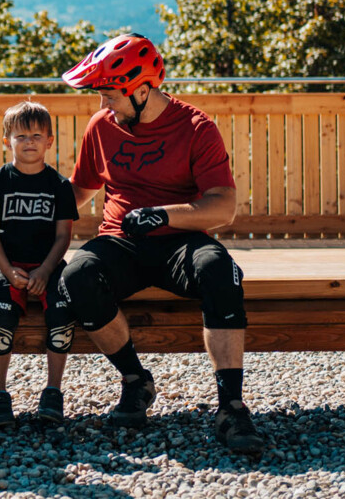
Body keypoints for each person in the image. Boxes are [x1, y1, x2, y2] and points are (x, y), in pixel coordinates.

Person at [58, 34, 264, 456]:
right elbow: (78, 191)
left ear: (142, 90)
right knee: (77, 275)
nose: (102, 106)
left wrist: (164, 215)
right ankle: (136, 381)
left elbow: (222, 206)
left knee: (219, 270)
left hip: (180, 244)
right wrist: (23, 211)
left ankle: (231, 407)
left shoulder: (196, 127)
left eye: (109, 94)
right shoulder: (102, 127)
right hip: (121, 242)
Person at [0, 100, 78, 426]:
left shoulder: (60, 186)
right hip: (7, 262)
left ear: (50, 140)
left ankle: (53, 392)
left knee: (62, 314)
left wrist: (46, 270)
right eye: (21, 136)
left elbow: (63, 237)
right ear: (7, 141)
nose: (30, 141)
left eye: (37, 135)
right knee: (1, 316)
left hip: (47, 262)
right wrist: (7, 271)